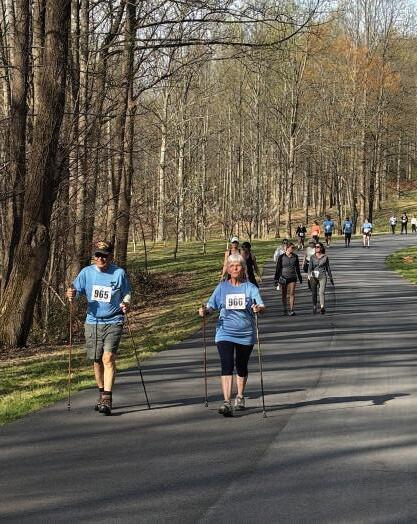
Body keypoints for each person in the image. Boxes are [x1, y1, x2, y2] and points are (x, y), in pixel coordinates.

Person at [66, 240, 132, 416]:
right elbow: (75, 291)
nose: (101, 259)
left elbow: (127, 292)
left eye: (104, 255)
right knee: (96, 360)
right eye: (98, 255)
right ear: (94, 256)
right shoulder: (86, 273)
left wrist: (126, 303)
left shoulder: (118, 273)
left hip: (114, 320)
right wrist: (71, 293)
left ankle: (107, 398)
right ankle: (102, 393)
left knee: (108, 358)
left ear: (110, 256)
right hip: (92, 322)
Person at [199, 254, 265, 417]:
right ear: (228, 269)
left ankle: (240, 396)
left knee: (241, 365)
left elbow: (261, 305)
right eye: (232, 266)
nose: (235, 268)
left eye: (238, 265)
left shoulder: (250, 288)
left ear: (243, 268)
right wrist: (204, 311)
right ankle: (227, 402)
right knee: (226, 363)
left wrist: (258, 309)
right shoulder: (222, 287)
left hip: (245, 332)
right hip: (225, 332)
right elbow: (211, 306)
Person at [274, 242, 303, 316]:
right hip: (283, 277)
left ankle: (291, 309)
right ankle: (285, 309)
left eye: (294, 248)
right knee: (284, 294)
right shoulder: (281, 257)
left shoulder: (295, 256)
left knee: (292, 293)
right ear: (287, 248)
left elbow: (297, 268)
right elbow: (278, 268)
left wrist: (300, 277)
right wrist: (276, 279)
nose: (293, 249)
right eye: (292, 248)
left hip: (293, 277)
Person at [308, 242, 334, 314]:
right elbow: (310, 268)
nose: (316, 248)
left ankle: (322, 307)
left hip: (322, 276)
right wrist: (309, 276)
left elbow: (328, 268)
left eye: (318, 247)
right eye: (315, 247)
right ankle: (314, 305)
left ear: (321, 248)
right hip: (313, 276)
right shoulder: (312, 257)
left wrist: (331, 277)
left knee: (321, 292)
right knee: (314, 292)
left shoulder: (325, 257)